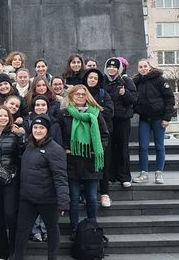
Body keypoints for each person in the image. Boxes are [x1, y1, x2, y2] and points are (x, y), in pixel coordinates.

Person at [14, 115, 69, 260]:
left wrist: (63, 201)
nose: (38, 130)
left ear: (48, 130)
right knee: (22, 231)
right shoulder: (29, 145)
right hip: (27, 198)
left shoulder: (55, 149)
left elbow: (60, 177)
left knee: (52, 230)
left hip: (47, 199)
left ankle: (52, 257)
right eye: (35, 127)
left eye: (42, 128)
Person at [58, 85, 108, 233]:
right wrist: (65, 148)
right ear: (71, 96)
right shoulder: (64, 114)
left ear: (87, 97)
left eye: (83, 94)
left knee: (92, 198)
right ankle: (74, 228)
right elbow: (58, 135)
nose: (80, 96)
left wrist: (98, 149)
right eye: (77, 94)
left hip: (91, 161)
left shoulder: (95, 113)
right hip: (72, 161)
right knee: (73, 198)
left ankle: (92, 227)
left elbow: (104, 134)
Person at [0, 106, 23, 260]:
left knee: (10, 214)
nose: (2, 118)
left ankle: (14, 250)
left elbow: (20, 157)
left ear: (9, 118)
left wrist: (14, 173)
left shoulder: (15, 135)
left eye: (5, 116)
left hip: (10, 179)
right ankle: (1, 252)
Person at [132, 59, 175, 185]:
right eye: (140, 67)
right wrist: (138, 109)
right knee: (143, 147)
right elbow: (133, 99)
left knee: (159, 147)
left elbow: (169, 99)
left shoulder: (160, 80)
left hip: (158, 119)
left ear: (149, 67)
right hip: (144, 119)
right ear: (138, 69)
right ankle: (144, 173)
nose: (143, 68)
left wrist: (167, 118)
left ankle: (159, 174)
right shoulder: (136, 82)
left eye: (145, 66)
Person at [82, 68, 114, 208]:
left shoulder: (103, 94)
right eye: (90, 77)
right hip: (83, 135)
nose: (92, 80)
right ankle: (86, 194)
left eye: (95, 78)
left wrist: (92, 110)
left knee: (103, 164)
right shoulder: (81, 93)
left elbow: (110, 111)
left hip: (101, 133)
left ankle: (104, 194)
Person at [103, 57, 137, 189]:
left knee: (122, 148)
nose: (112, 69)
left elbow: (134, 99)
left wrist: (125, 93)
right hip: (107, 120)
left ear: (119, 69)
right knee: (109, 148)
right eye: (109, 67)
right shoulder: (103, 81)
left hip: (122, 119)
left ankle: (124, 177)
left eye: (115, 67)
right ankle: (111, 175)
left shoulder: (126, 81)